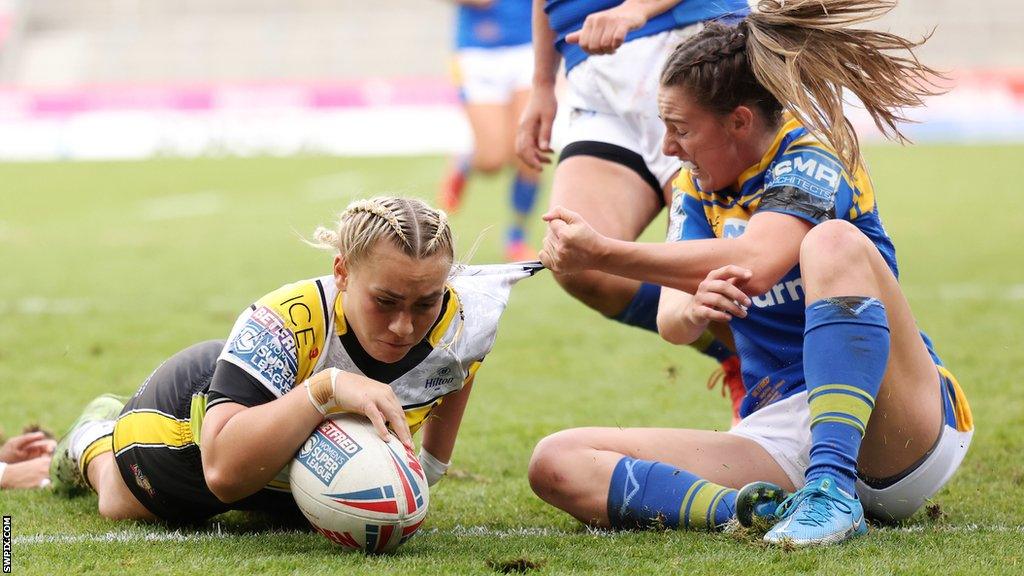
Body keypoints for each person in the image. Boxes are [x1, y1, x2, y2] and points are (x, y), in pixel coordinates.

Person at [530, 0, 973, 546]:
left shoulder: (812, 150)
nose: (667, 148)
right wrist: (694, 306)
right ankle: (751, 511)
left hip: (895, 429)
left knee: (832, 241)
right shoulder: (697, 187)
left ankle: (832, 489)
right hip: (781, 430)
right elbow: (672, 322)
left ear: (739, 120)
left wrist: (602, 251)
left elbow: (757, 261)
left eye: (680, 130)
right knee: (558, 461)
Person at [49, 197, 539, 524]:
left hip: (291, 460)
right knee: (122, 502)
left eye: (424, 303)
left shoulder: (466, 313)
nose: (405, 327)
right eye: (385, 302)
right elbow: (222, 474)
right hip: (196, 419)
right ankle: (94, 433)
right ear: (343, 272)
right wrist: (325, 390)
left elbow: (461, 362)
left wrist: (429, 467)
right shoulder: (287, 318)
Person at [516, 0, 752, 421]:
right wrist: (541, 84)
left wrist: (636, 9)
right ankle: (741, 357)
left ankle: (791, 379)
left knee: (743, 263)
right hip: (592, 71)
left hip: (689, 46)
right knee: (577, 261)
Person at [440, 0, 542, 262]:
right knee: (492, 160)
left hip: (528, 46)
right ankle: (464, 163)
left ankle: (516, 237)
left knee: (529, 147)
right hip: (478, 51)